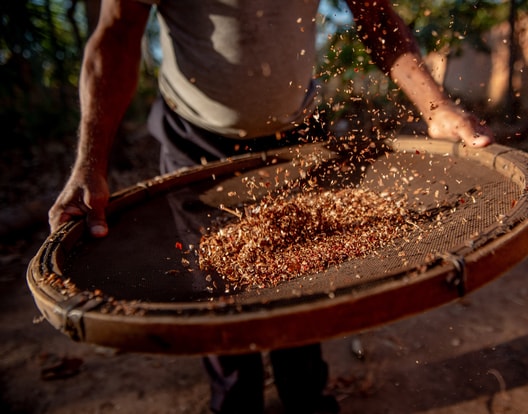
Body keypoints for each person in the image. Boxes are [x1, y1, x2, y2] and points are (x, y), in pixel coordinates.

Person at [48, 1, 493, 413]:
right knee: (217, 290)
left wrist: (435, 107)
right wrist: (90, 164)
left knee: (300, 276)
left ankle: (306, 398)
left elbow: (375, 15)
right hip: (196, 139)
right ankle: (234, 402)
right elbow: (119, 31)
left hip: (293, 135)